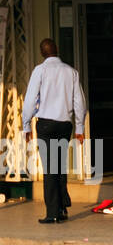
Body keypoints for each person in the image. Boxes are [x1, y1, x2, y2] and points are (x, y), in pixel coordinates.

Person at [21, 39, 86, 224]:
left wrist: (26, 125)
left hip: (46, 125)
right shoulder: (71, 72)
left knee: (50, 168)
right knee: (60, 165)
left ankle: (52, 213)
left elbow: (30, 101)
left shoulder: (40, 71)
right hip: (64, 125)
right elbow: (79, 102)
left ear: (42, 53)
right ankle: (62, 206)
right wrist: (80, 127)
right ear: (57, 50)